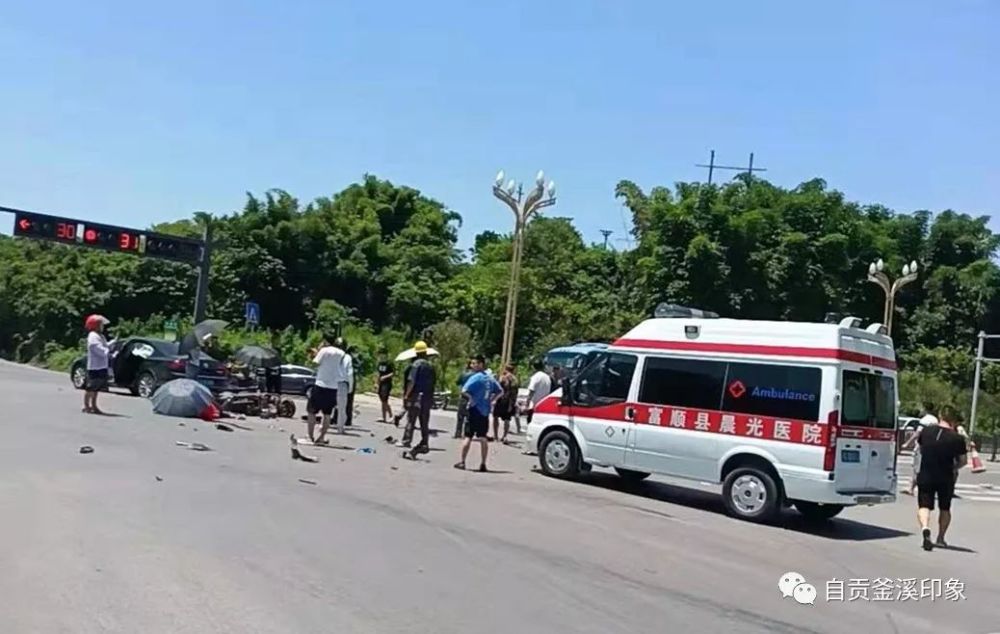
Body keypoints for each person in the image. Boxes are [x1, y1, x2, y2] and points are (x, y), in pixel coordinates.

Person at [916, 404, 968, 551]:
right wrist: (954, 467)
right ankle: (940, 538)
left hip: (926, 473)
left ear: (940, 416)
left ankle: (925, 529)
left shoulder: (926, 431)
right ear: (953, 419)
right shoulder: (957, 438)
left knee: (924, 505)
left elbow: (921, 449)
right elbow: (963, 461)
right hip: (945, 476)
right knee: (944, 508)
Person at [455, 355, 502, 472]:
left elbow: (464, 390)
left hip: (474, 409)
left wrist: (471, 399)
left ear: (481, 364)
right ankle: (483, 463)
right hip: (485, 411)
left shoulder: (476, 377)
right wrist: (492, 400)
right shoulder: (490, 378)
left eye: (474, 363)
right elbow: (500, 391)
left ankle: (462, 461)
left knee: (468, 436)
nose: (472, 366)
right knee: (483, 437)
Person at [308, 334, 346, 443]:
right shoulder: (341, 353)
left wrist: (316, 353)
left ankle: (310, 436)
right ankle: (321, 437)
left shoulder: (324, 350)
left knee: (312, 411)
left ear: (325, 341)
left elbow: (315, 364)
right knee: (327, 414)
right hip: (333, 386)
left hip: (320, 384)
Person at [400, 341, 436, 458]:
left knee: (411, 419)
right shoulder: (430, 366)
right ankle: (425, 442)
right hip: (427, 397)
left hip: (416, 396)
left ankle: (406, 440)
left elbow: (411, 381)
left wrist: (406, 394)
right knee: (424, 421)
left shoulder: (416, 365)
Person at [902, 403, 938, 496]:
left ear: (925, 409)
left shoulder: (925, 420)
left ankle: (911, 488)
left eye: (922, 408)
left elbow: (918, 433)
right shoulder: (935, 420)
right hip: (932, 447)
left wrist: (907, 443)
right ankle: (913, 487)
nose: (920, 410)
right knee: (925, 468)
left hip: (922, 446)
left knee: (917, 468)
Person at [83, 314, 111, 414]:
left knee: (96, 388)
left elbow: (105, 345)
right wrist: (107, 351)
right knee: (90, 387)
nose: (102, 326)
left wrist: (111, 345)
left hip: (102, 365)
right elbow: (96, 348)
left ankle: (94, 405)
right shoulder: (93, 336)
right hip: (94, 366)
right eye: (100, 324)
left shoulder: (101, 336)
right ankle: (87, 406)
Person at [329, 337, 353, 433]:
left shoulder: (330, 355)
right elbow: (350, 373)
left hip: (330, 383)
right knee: (342, 408)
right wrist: (350, 386)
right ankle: (340, 427)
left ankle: (323, 425)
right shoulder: (347, 357)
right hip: (342, 384)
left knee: (328, 407)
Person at [494, 364, 519, 443]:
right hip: (509, 401)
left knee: (496, 417)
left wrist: (494, 399)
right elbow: (515, 393)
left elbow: (498, 389)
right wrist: (512, 404)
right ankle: (504, 436)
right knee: (507, 420)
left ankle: (496, 436)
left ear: (506, 369)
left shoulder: (502, 378)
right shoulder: (515, 379)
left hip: (500, 400)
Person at [524, 359, 553, 425]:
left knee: (530, 423)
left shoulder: (535, 377)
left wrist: (526, 405)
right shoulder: (547, 377)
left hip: (534, 406)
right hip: (543, 405)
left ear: (533, 367)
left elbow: (531, 391)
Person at [454, 360, 476, 438]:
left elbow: (457, 383)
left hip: (463, 396)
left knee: (460, 416)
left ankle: (458, 432)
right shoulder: (478, 375)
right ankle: (467, 433)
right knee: (469, 417)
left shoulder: (464, 374)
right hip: (474, 397)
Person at [375, 348, 395, 423]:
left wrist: (385, 377)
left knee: (384, 400)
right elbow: (378, 373)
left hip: (387, 383)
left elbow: (393, 373)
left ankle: (391, 415)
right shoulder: (379, 363)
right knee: (382, 400)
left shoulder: (389, 363)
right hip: (381, 383)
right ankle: (384, 417)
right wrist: (376, 383)